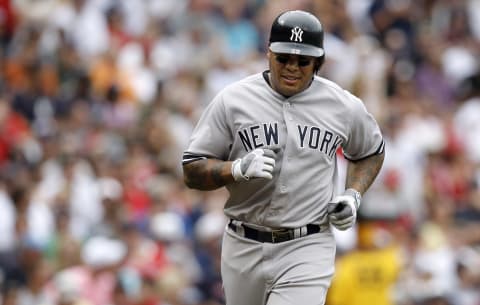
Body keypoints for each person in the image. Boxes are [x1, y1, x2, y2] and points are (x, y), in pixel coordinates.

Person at [182, 9, 385, 305]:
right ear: (268, 54)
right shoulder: (233, 99)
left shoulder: (343, 106)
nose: (292, 67)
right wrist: (235, 169)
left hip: (308, 243)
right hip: (243, 243)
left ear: (318, 61)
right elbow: (192, 169)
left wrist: (352, 195)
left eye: (303, 61)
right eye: (284, 58)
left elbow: (371, 152)